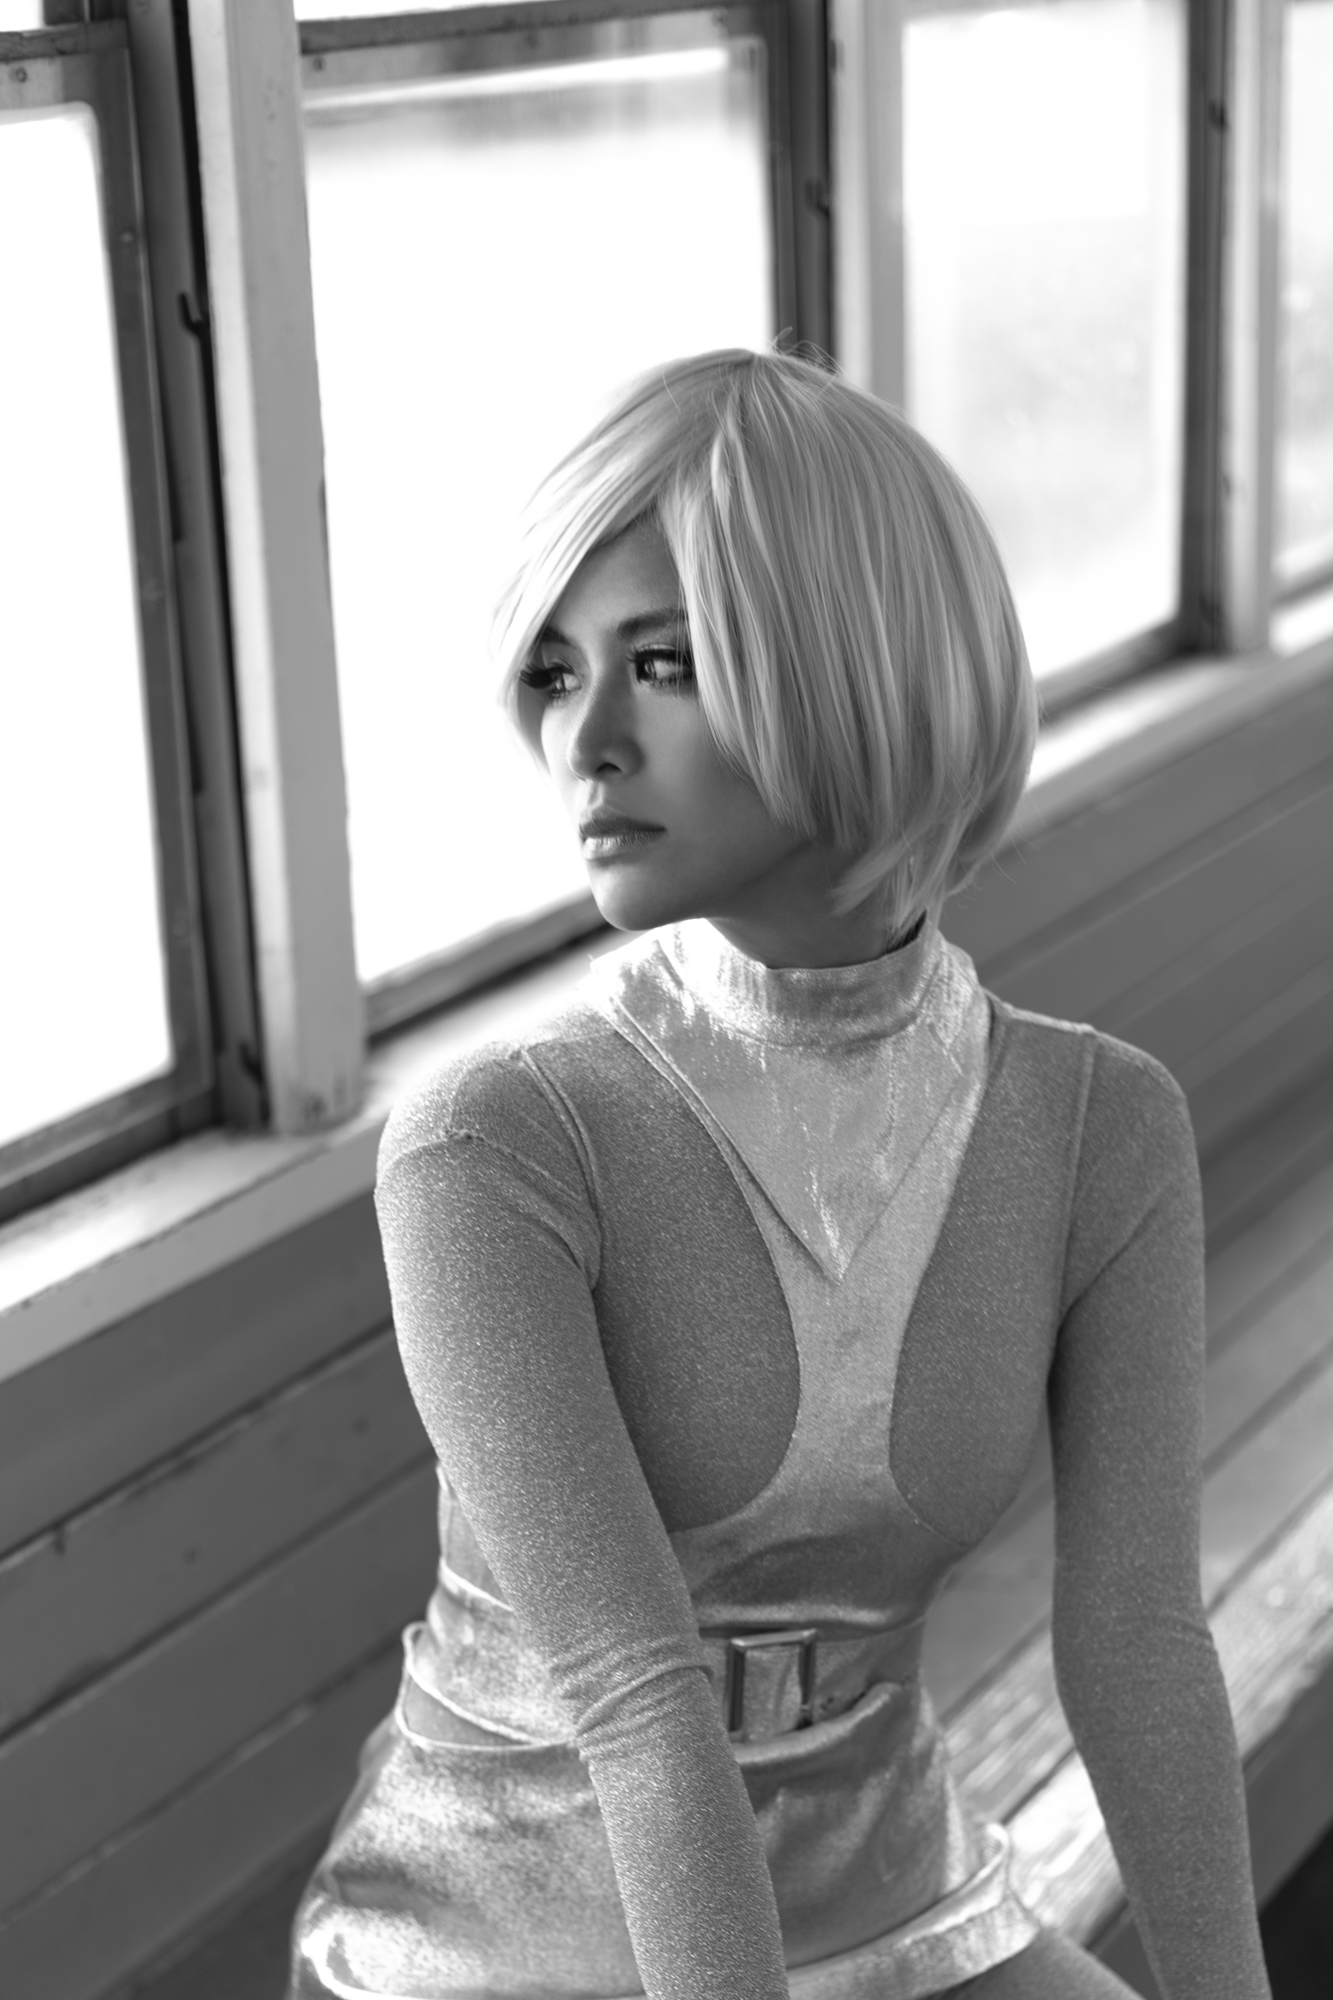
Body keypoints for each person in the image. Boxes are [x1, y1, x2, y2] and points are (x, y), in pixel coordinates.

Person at [288, 349, 1271, 2000]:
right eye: (552, 672)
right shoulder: (496, 1142)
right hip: (508, 1944)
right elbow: (636, 1696)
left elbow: (1136, 1641)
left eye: (662, 663)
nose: (585, 739)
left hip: (890, 1895)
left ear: (858, 663)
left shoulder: (1095, 1124)